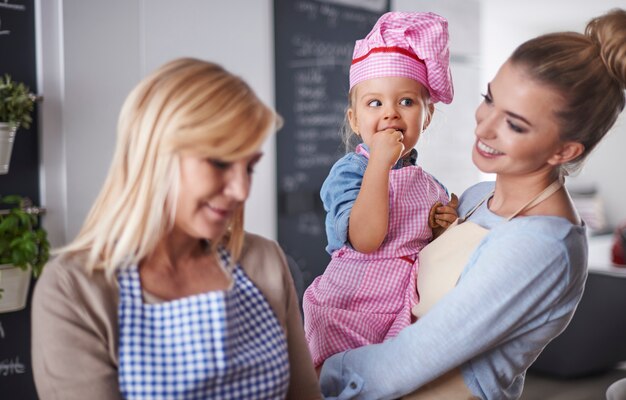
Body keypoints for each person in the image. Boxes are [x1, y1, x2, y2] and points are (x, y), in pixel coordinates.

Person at [320, 8, 626, 400]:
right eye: (489, 99)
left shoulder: (541, 246)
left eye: (514, 124)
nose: (483, 126)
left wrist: (314, 375)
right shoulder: (475, 199)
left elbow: (407, 361)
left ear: (565, 149)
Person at [31, 58, 321, 400]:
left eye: (250, 167)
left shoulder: (264, 261)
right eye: (220, 162)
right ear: (155, 154)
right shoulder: (74, 289)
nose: (242, 190)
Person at [302, 11, 458, 370]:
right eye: (375, 103)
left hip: (401, 307)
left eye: (406, 102)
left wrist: (441, 229)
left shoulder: (431, 184)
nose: (390, 113)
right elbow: (367, 239)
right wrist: (379, 165)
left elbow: (427, 249)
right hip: (349, 309)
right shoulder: (349, 172)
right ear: (355, 120)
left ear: (427, 116)